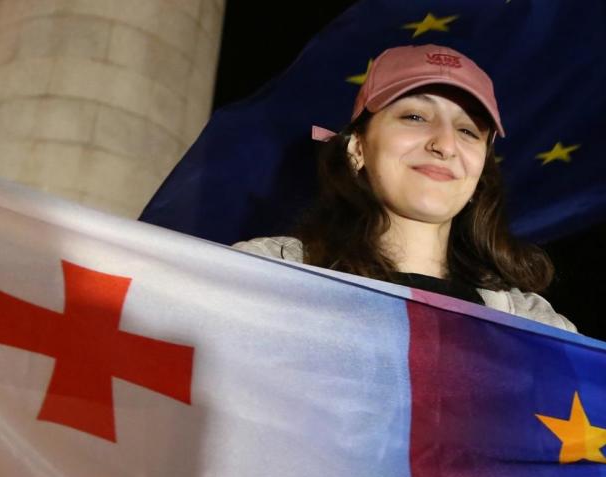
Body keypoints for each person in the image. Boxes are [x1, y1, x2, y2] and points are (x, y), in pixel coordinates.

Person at [232, 44, 576, 332]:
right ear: (357, 149)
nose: (445, 144)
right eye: (415, 116)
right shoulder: (263, 274)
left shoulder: (534, 325)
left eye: (468, 130)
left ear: (481, 172)